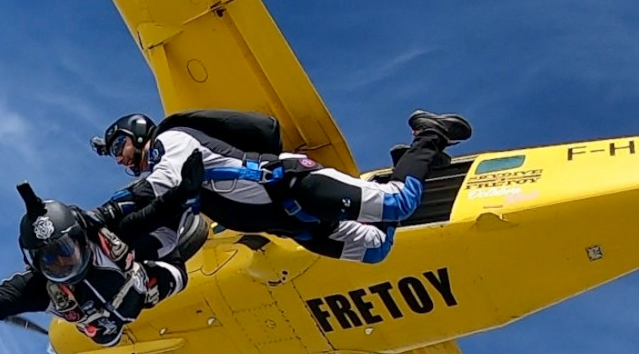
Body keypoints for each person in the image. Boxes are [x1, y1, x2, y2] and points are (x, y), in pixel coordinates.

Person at [88, 109, 472, 264]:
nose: (121, 158)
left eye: (120, 146)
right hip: (300, 227)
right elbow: (170, 232)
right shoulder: (182, 191)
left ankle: (427, 135)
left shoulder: (170, 142)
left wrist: (102, 215)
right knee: (377, 251)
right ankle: (412, 165)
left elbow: (160, 186)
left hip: (299, 188)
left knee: (400, 205)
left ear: (138, 134)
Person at [0, 179, 194, 347]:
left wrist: (183, 192)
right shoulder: (36, 288)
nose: (61, 264)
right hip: (108, 323)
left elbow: (153, 214)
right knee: (104, 334)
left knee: (174, 272)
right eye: (48, 259)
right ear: (34, 262)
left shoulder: (106, 239)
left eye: (65, 251)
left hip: (142, 279)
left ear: (81, 240)